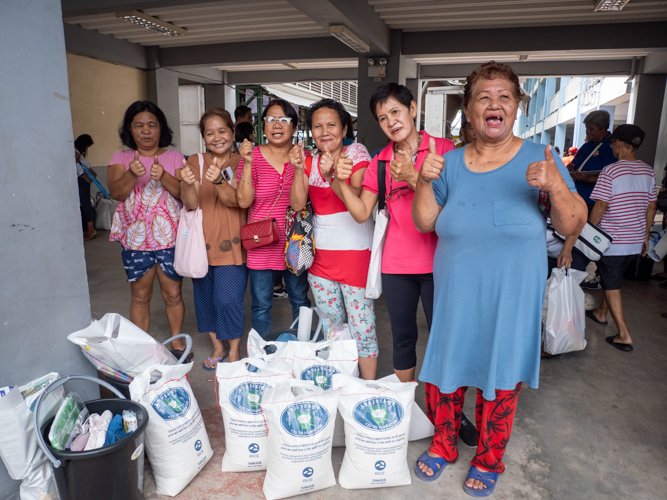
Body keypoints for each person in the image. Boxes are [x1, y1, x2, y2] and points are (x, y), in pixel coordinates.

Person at [412, 61, 586, 496]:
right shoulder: (449, 163)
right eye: (484, 98)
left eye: (504, 97)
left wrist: (555, 188)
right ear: (469, 112)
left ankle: (490, 457)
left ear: (517, 109)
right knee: (446, 371)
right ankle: (444, 444)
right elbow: (425, 221)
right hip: (456, 294)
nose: (495, 104)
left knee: (501, 372)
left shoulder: (540, 159)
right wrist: (421, 181)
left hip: (512, 297)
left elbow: (572, 225)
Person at [333, 83, 456, 383]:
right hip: (397, 266)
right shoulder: (381, 161)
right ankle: (405, 406)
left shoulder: (445, 151)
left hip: (441, 263)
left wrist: (413, 177)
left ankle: (446, 411)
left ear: (412, 110)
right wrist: (337, 182)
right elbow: (362, 212)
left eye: (396, 112)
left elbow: (454, 209)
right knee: (402, 338)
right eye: (383, 118)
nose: (391, 122)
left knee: (444, 338)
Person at [289, 98, 377, 379]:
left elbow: (358, 201)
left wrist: (331, 176)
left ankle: (366, 388)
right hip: (321, 260)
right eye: (317, 126)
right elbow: (297, 203)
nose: (324, 131)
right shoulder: (307, 159)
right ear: (310, 131)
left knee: (363, 327)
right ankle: (343, 382)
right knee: (333, 325)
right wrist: (299, 169)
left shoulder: (356, 152)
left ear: (344, 127)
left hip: (355, 257)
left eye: (331, 124)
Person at [107, 101, 188, 353]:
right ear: (130, 130)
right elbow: (117, 193)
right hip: (135, 240)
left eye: (151, 125)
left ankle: (176, 341)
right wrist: (131, 173)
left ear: (160, 128)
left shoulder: (175, 157)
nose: (146, 130)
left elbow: (184, 195)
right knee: (141, 296)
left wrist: (163, 175)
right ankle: (143, 346)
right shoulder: (121, 158)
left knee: (173, 294)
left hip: (170, 240)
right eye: (139, 125)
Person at [236, 99, 311, 336]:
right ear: (262, 126)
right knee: (260, 304)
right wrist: (247, 164)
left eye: (283, 120)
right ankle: (262, 353)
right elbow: (244, 202)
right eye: (270, 119)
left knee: (300, 298)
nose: (276, 125)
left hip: (295, 241)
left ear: (294, 126)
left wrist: (299, 167)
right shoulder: (253, 156)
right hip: (261, 242)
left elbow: (300, 203)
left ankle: (302, 349)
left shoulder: (304, 158)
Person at [180, 108, 247, 370]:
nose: (217, 137)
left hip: (233, 242)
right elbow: (190, 203)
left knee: (228, 299)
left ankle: (233, 349)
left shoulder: (243, 161)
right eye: (210, 133)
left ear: (232, 132)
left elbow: (239, 201)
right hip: (200, 244)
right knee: (205, 299)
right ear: (203, 138)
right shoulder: (195, 161)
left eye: (222, 131)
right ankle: (218, 347)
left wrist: (220, 180)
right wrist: (187, 182)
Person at [586, 124, 657, 352]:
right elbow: (651, 206)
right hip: (634, 241)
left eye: (613, 144)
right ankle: (600, 313)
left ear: (617, 144)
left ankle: (624, 334)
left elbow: (600, 205)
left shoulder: (611, 171)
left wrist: (588, 232)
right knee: (612, 280)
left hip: (612, 241)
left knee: (612, 282)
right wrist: (645, 236)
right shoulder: (648, 171)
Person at [568, 110, 615, 212]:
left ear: (603, 128)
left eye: (592, 129)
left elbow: (612, 177)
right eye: (587, 128)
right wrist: (569, 168)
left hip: (594, 200)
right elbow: (573, 163)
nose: (588, 131)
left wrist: (590, 179)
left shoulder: (610, 147)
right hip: (577, 195)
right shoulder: (587, 145)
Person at [75, 134, 97, 240]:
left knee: (85, 202)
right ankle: (90, 228)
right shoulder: (75, 151)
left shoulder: (75, 152)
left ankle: (91, 229)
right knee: (85, 202)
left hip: (82, 178)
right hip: (82, 178)